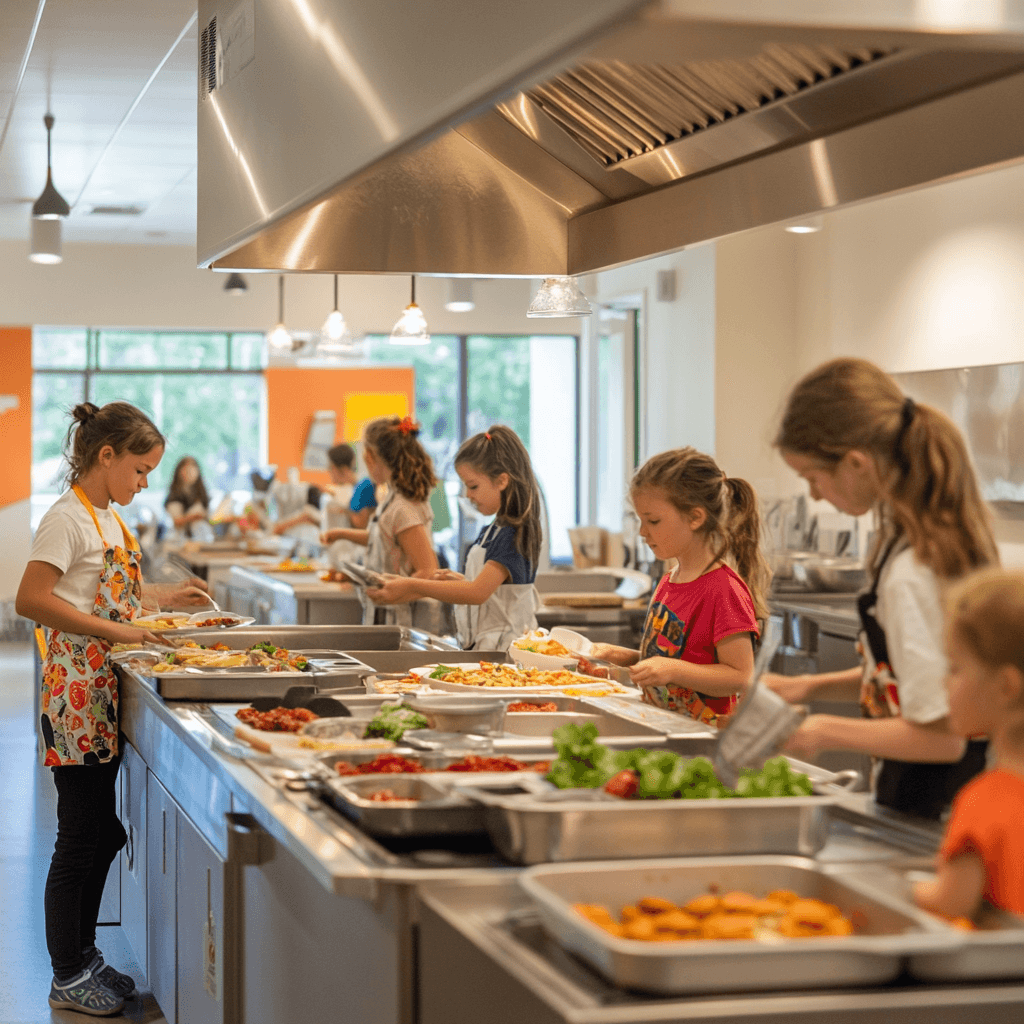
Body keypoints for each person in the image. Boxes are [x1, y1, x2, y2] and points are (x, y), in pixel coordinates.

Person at [15, 401, 209, 1016]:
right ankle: (66, 973)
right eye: (141, 469)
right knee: (80, 836)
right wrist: (115, 631)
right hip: (75, 691)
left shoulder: (106, 519)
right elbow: (32, 598)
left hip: (101, 687)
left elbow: (106, 591)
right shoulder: (66, 519)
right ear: (107, 456)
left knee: (105, 830)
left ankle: (84, 954)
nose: (146, 482)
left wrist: (162, 595)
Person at [766, 357, 997, 820]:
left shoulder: (912, 571)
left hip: (938, 806)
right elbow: (912, 677)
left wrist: (824, 730)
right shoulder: (918, 541)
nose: (813, 495)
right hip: (938, 799)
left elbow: (942, 737)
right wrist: (805, 686)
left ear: (856, 463)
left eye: (813, 477)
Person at [586, 447, 771, 725]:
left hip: (703, 737)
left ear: (696, 518)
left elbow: (739, 676)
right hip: (662, 724)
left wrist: (672, 669)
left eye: (653, 521)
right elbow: (674, 659)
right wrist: (625, 657)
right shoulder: (669, 580)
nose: (642, 532)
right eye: (640, 520)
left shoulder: (723, 588)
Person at [368, 425, 542, 650]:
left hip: (507, 650)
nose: (468, 495)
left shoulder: (512, 533)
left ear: (501, 481)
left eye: (473, 486)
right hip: (487, 647)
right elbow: (493, 591)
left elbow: (478, 593)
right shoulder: (492, 531)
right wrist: (460, 581)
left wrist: (413, 585)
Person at [913, 568, 1024, 918]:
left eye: (955, 668)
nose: (945, 683)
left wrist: (909, 887)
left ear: (1006, 687)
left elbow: (951, 903)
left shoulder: (987, 799)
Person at [321, 416, 438, 625]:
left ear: (370, 457)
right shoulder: (390, 499)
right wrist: (340, 534)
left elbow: (428, 570)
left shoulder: (402, 507)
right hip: (386, 617)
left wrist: (395, 591)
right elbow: (384, 539)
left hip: (402, 619)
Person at [164, 455, 210, 539]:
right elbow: (176, 521)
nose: (190, 473)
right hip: (179, 538)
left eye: (193, 470)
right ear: (179, 472)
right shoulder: (174, 495)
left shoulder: (201, 494)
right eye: (187, 470)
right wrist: (192, 517)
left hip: (202, 537)